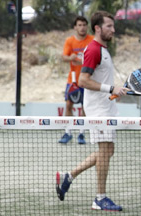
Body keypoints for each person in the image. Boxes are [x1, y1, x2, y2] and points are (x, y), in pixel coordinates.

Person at [55, 11, 128, 211]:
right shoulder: (94, 49)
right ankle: (99, 199)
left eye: (113, 26)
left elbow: (101, 82)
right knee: (105, 151)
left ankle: (68, 176)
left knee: (108, 150)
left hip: (106, 106)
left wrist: (113, 93)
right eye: (109, 26)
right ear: (98, 28)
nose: (113, 30)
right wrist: (110, 89)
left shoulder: (103, 50)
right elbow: (83, 81)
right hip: (99, 111)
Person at [59, 16, 94, 144]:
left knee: (84, 106)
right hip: (73, 80)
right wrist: (71, 57)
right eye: (79, 25)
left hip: (87, 79)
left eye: (84, 25)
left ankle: (81, 134)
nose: (82, 27)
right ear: (75, 27)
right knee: (68, 105)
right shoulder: (70, 41)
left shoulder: (92, 40)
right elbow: (64, 57)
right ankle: (68, 133)